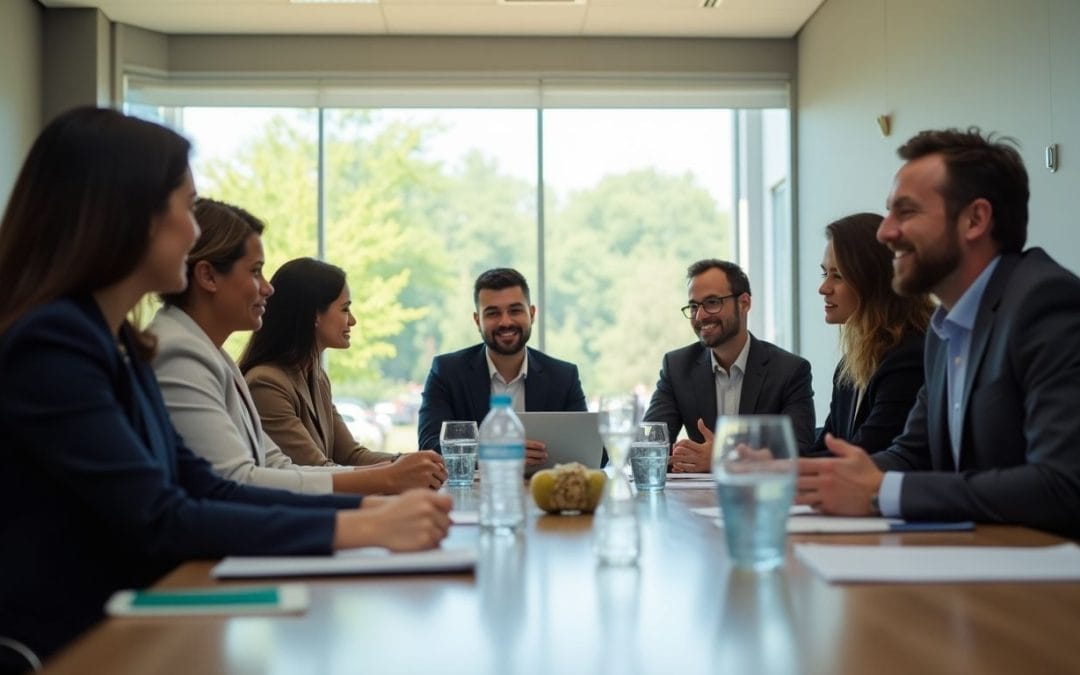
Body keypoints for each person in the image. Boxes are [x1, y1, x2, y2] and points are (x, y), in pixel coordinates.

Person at [0, 107, 452, 667]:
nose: (194, 231)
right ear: (123, 215)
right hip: (80, 644)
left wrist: (370, 511)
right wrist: (363, 523)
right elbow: (161, 517)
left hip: (141, 622)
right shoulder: (56, 342)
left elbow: (209, 489)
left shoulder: (121, 341)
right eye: (186, 208)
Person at [797, 128, 1080, 538]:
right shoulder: (943, 328)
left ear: (975, 220)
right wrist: (803, 480)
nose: (885, 232)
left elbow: (1061, 485)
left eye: (906, 212)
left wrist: (881, 492)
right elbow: (912, 455)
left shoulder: (1045, 304)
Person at [151, 200, 446, 494]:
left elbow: (278, 467)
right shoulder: (184, 354)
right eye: (255, 272)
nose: (268, 288)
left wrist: (402, 470)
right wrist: (388, 480)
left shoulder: (215, 356)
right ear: (208, 276)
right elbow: (237, 482)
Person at [239, 258, 446, 483]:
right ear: (314, 315)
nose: (353, 320)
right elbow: (316, 470)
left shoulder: (316, 377)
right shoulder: (266, 383)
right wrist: (399, 472)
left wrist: (417, 463)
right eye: (345, 309)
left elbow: (350, 455)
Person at [644, 259, 815, 472]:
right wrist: (685, 458)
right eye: (694, 306)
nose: (700, 316)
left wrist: (722, 460)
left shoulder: (790, 371)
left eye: (712, 303)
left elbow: (799, 453)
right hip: (695, 501)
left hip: (761, 500)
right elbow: (647, 447)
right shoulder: (677, 366)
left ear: (744, 303)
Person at [416, 268, 587, 466]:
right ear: (477, 321)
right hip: (471, 495)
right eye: (493, 313)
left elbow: (594, 453)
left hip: (544, 493)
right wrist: (498, 453)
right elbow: (429, 448)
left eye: (515, 310)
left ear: (531, 314)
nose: (505, 322)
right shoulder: (446, 372)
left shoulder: (564, 376)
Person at [806, 212, 933, 457]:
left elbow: (861, 456)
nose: (823, 288)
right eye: (825, 274)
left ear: (872, 280)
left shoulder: (907, 358)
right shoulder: (851, 364)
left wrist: (769, 467)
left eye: (838, 276)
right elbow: (826, 446)